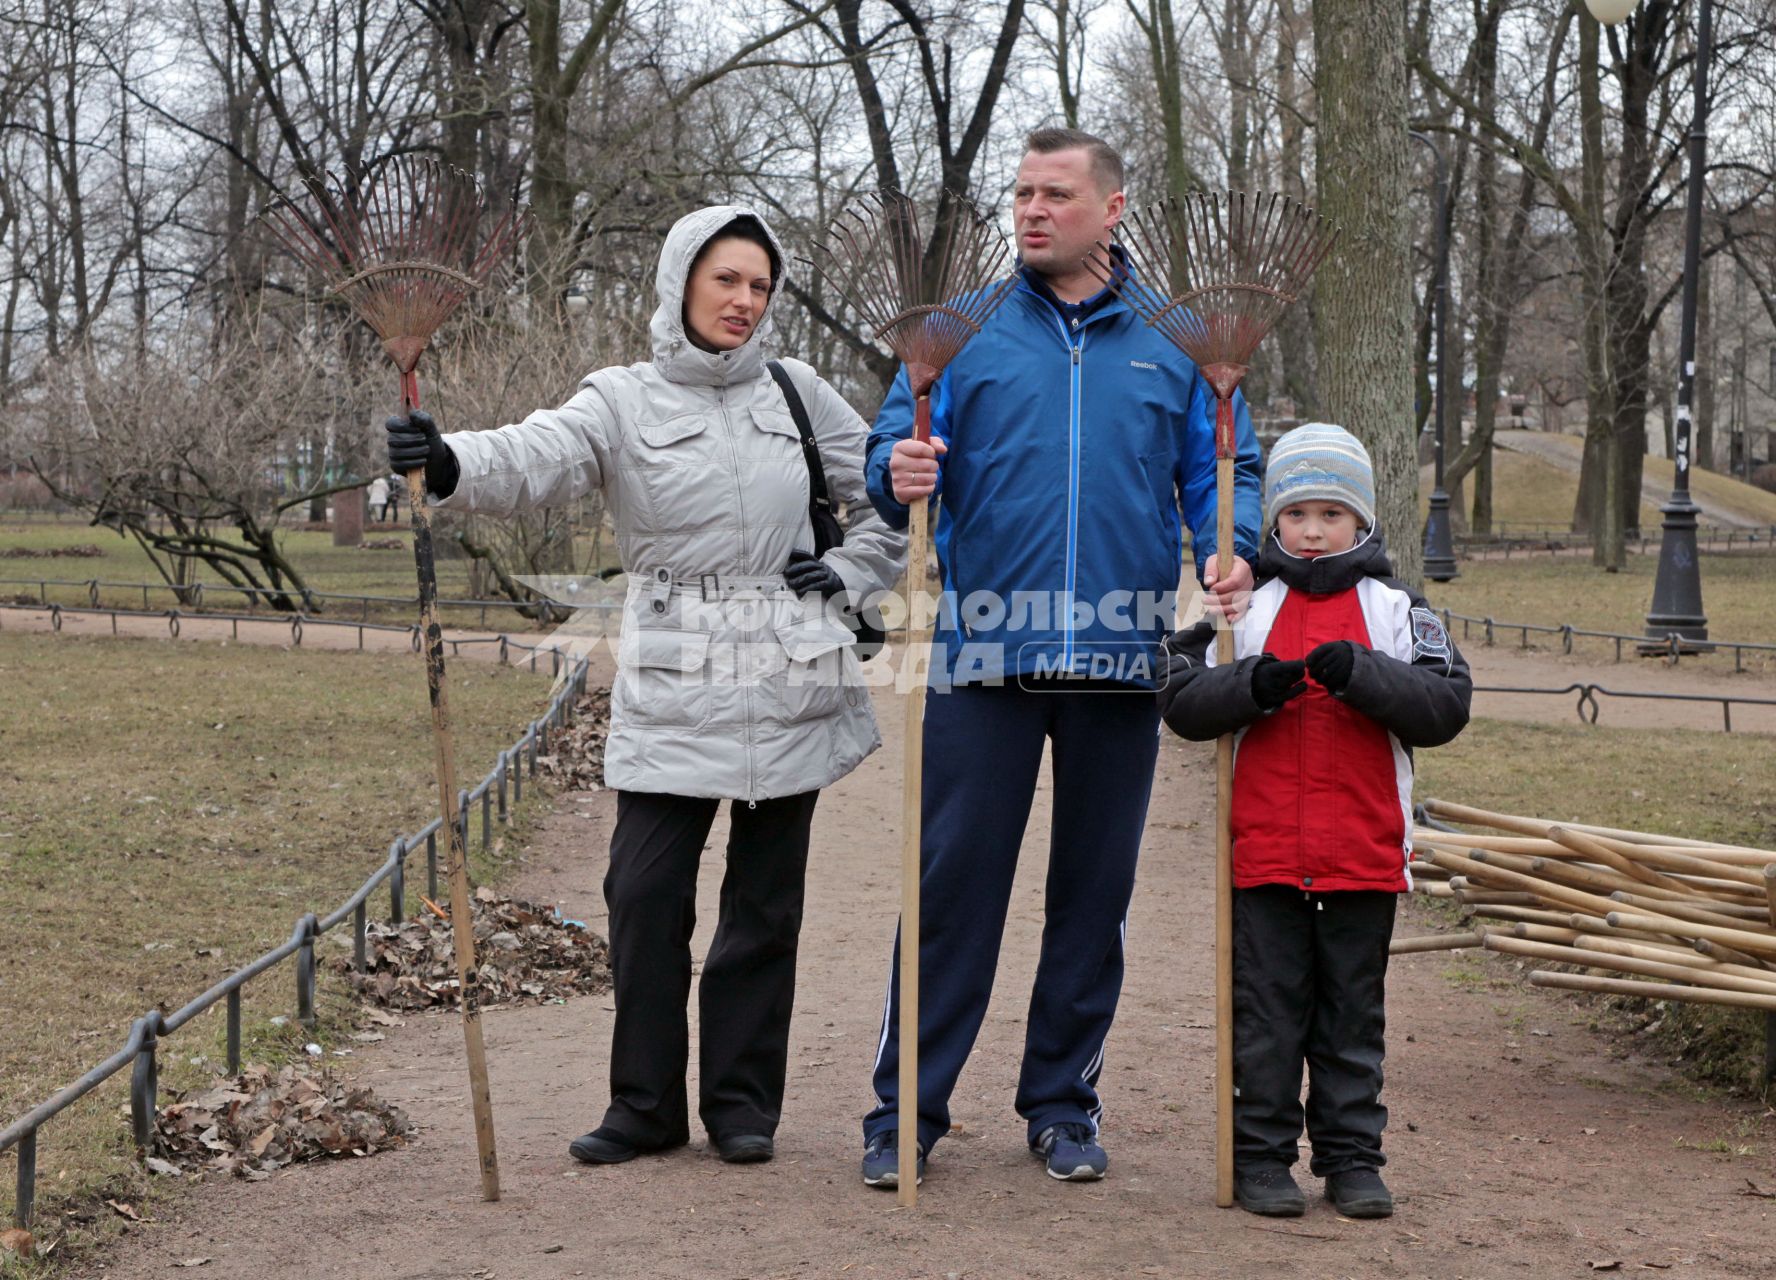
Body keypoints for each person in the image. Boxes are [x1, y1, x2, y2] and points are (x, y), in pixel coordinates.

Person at [385, 206, 906, 1168]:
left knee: (765, 906)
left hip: (790, 673)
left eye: (759, 286)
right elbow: (536, 454)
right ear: (680, 284)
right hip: (675, 673)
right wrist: (450, 458)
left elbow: (889, 490)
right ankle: (645, 1104)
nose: (744, 302)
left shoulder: (798, 392)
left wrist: (852, 575)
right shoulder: (621, 399)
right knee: (644, 894)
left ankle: (743, 1107)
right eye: (726, 281)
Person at [858, 127, 1263, 1188]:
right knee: (952, 889)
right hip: (984, 654)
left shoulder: (1183, 343)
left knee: (1093, 897)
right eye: (1022, 192)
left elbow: (1228, 467)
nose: (1031, 209)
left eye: (1055, 193)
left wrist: (1232, 545)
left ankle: (1061, 1104)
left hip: (1124, 661)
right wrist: (896, 464)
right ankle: (907, 1112)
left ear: (1112, 208)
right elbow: (890, 447)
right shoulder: (958, 331)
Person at [1155, 423, 1472, 1219]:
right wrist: (1253, 686)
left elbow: (1444, 706)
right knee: (1267, 1019)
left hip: (1362, 855)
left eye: (1332, 513)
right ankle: (1261, 1157)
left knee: (1350, 1020)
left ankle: (1352, 1159)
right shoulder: (1243, 605)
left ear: (1361, 522)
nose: (1314, 529)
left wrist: (1365, 675)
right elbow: (1181, 696)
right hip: (1263, 856)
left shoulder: (1397, 608)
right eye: (1298, 514)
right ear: (1276, 523)